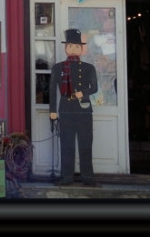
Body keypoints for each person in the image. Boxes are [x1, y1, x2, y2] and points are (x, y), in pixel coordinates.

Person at [49, 28, 99, 186]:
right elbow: (52, 91)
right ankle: (66, 177)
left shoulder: (88, 67)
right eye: (70, 46)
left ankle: (88, 177)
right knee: (67, 145)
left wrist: (82, 94)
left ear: (81, 49)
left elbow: (94, 88)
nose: (73, 49)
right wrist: (52, 112)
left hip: (83, 111)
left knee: (85, 145)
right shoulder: (58, 68)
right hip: (66, 109)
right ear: (66, 48)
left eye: (76, 47)